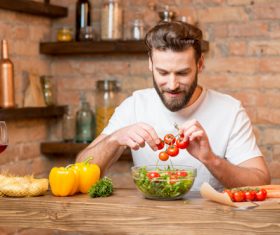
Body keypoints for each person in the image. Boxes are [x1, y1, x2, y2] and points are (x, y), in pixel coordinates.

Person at [76, 21, 270, 190]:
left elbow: (261, 181)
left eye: (183, 73)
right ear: (150, 64)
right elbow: (79, 169)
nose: (172, 84)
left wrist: (211, 159)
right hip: (146, 223)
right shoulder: (134, 105)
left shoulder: (229, 111)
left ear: (200, 64)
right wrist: (114, 139)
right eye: (163, 72)